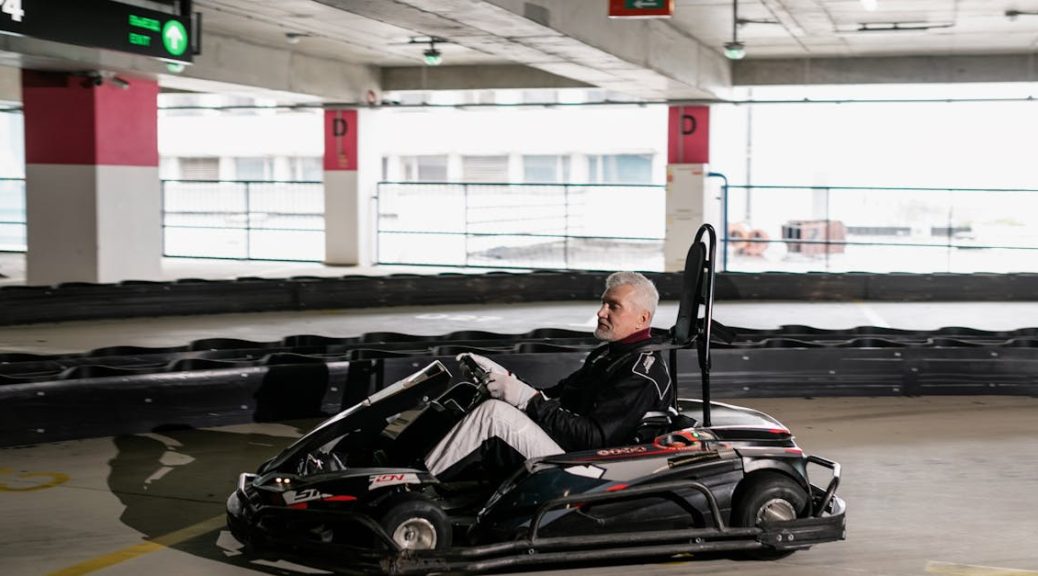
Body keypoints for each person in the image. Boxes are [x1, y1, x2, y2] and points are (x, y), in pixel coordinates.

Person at [425, 271, 674, 480]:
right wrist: (506, 378)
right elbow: (555, 396)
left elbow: (595, 439)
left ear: (642, 318)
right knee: (472, 392)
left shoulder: (639, 374)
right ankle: (412, 458)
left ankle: (418, 485)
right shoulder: (607, 356)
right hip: (569, 448)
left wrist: (526, 399)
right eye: (603, 303)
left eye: (613, 306)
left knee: (495, 415)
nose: (601, 312)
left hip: (592, 469)